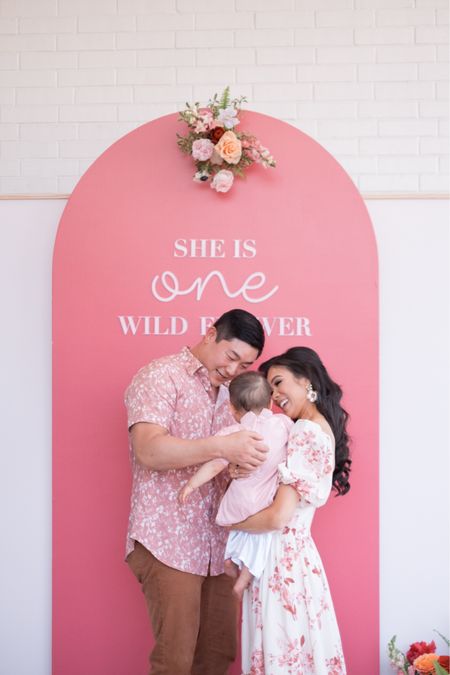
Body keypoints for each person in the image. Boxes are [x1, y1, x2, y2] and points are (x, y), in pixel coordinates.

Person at [124, 309, 268, 675]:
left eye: (246, 364)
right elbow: (149, 450)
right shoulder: (159, 376)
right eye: (231, 357)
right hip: (167, 542)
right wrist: (222, 448)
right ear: (210, 334)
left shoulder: (239, 394)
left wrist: (240, 466)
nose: (235, 370)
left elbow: (235, 464)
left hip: (221, 547)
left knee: (218, 657)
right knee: (175, 661)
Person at [234, 346, 352, 675]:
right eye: (270, 389)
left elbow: (277, 516)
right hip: (298, 560)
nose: (274, 395)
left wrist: (231, 522)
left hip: (279, 561)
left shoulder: (303, 431)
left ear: (306, 380)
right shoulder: (320, 429)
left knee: (280, 651)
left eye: (280, 382)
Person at [178, 371, 293, 600]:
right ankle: (245, 576)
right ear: (270, 400)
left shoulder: (232, 434)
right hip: (265, 497)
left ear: (232, 408)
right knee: (261, 535)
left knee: (239, 528)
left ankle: (229, 561)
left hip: (240, 497)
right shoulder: (283, 424)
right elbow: (295, 447)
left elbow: (213, 466)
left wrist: (191, 485)